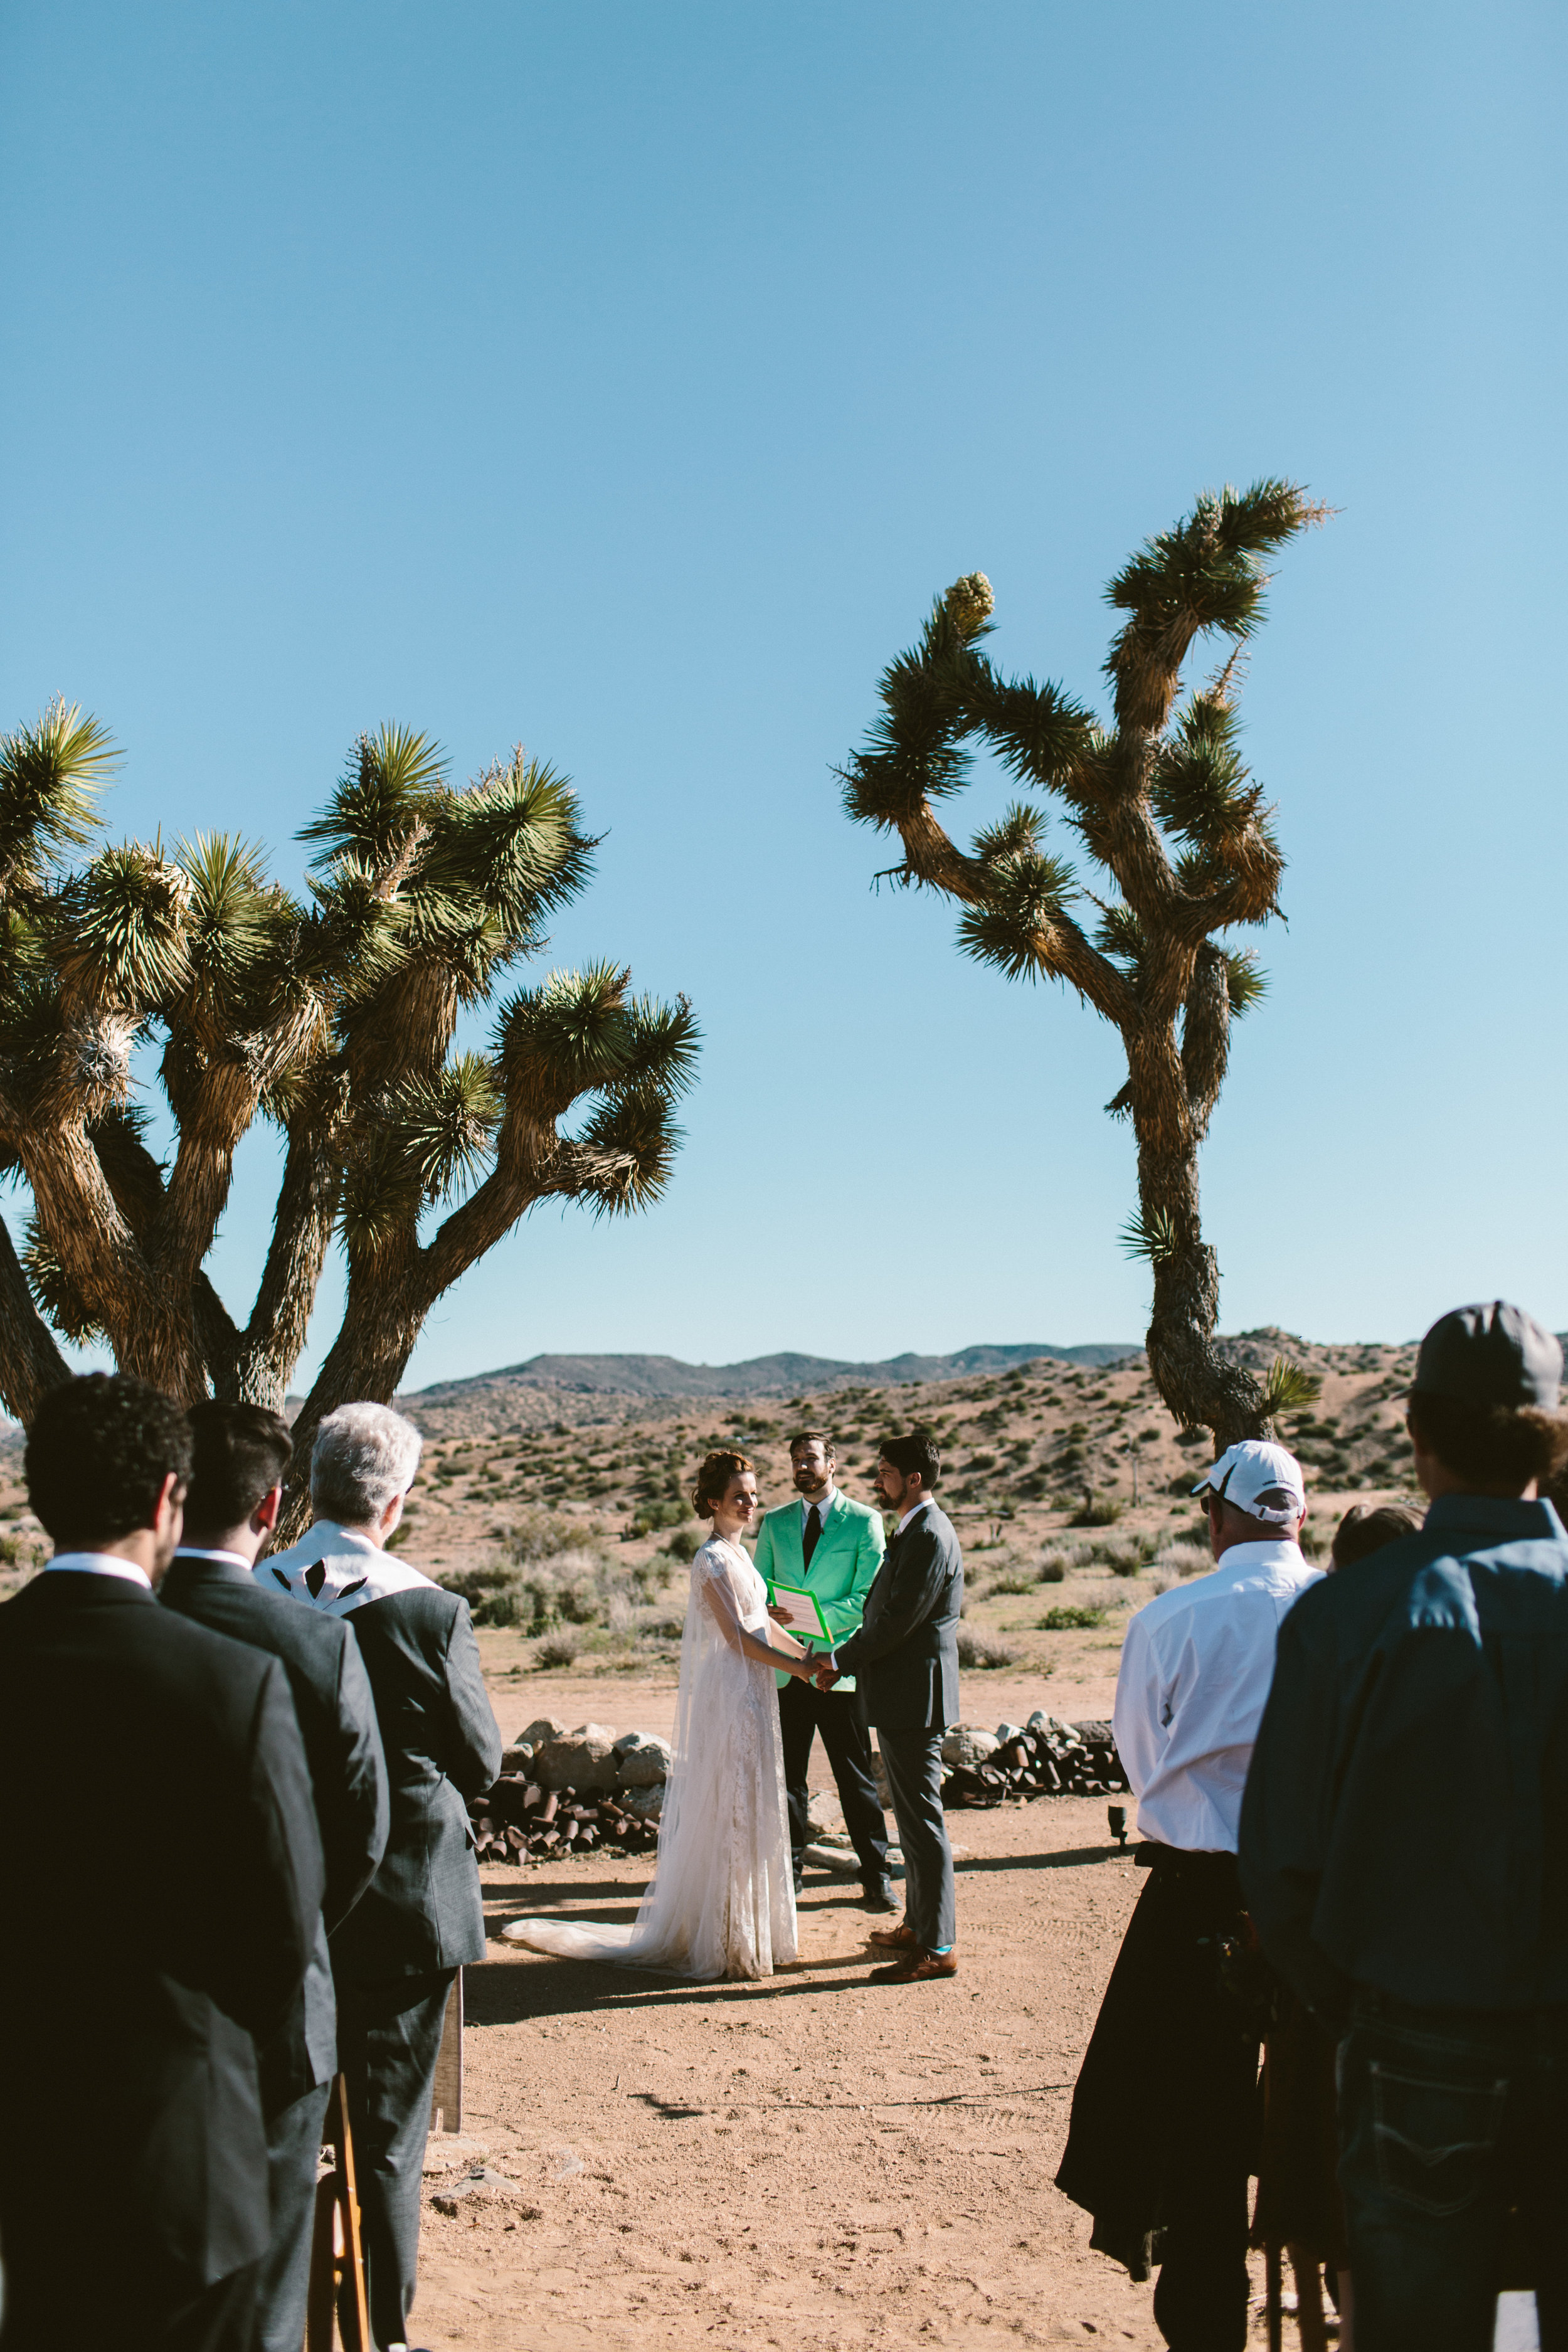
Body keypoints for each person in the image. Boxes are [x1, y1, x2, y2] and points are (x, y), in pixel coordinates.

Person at [1240, 1303, 1568, 2352]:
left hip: (1415, 2038)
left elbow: (1282, 1866)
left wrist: (1363, 2008)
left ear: (1418, 1435)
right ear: (1550, 1436)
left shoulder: (1349, 1618)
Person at [0, 1374, 323, 2352]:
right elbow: (282, 1934)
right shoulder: (231, 1684)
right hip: (179, 2147)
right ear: (164, 1501)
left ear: (40, 1498)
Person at [1056, 1436, 1322, 2352]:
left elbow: (1142, 1755)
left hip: (1202, 1893)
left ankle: (1209, 2323)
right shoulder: (1342, 1606)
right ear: (1301, 1514)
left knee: (1195, 2125)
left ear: (1219, 1512)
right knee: (1319, 2107)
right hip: (1323, 1898)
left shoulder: (1170, 1617)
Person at [263, 1401, 502, 2352]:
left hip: (283, 1894)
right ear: (397, 1502)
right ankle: (383, 2334)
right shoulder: (432, 1611)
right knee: (391, 2142)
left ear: (309, 1488)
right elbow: (480, 1761)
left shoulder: (255, 1591)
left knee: (278, 2133)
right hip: (406, 1900)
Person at [160, 1401, 390, 2352]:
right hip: (277, 2000)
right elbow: (362, 1829)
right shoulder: (314, 1641)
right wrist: (301, 1930)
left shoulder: (113, 1625)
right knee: (266, 2288)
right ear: (274, 1505)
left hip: (122, 2002)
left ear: (168, 1497)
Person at [504, 1449, 820, 1979]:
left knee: (756, 1796)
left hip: (758, 1687)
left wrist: (810, 1657)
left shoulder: (743, 1556)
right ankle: (722, 1935)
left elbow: (762, 1625)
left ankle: (754, 1929)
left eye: (753, 1493)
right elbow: (738, 1637)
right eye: (739, 1495)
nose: (750, 1502)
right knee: (732, 1802)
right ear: (714, 1502)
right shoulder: (713, 1560)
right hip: (732, 1690)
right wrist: (802, 1668)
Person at [1250, 1500, 1421, 2352]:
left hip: (1343, 1983)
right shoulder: (1455, 1652)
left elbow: (1279, 1847)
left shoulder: (1329, 1657)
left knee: (1332, 2171)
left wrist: (1318, 1982)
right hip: (1443, 1986)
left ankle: (1348, 2323)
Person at [813, 1430, 963, 1984]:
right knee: (913, 1817)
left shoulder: (928, 1535)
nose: (877, 1481)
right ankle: (919, 1925)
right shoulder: (917, 1529)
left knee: (923, 1824)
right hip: (904, 1696)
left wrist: (839, 1659)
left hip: (914, 1698)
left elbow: (897, 1620)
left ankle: (939, 1945)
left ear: (914, 1478)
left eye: (885, 1472)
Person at [754, 1428, 893, 1908]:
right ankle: (790, 1878)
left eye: (811, 1458)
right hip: (787, 1669)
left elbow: (866, 1597)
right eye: (795, 1459)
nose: (802, 1466)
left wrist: (817, 1630)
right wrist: (774, 1618)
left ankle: (877, 1876)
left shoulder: (864, 1522)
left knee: (854, 1778)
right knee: (787, 1780)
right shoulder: (773, 1523)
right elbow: (761, 1589)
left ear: (831, 1465)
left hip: (838, 1670)